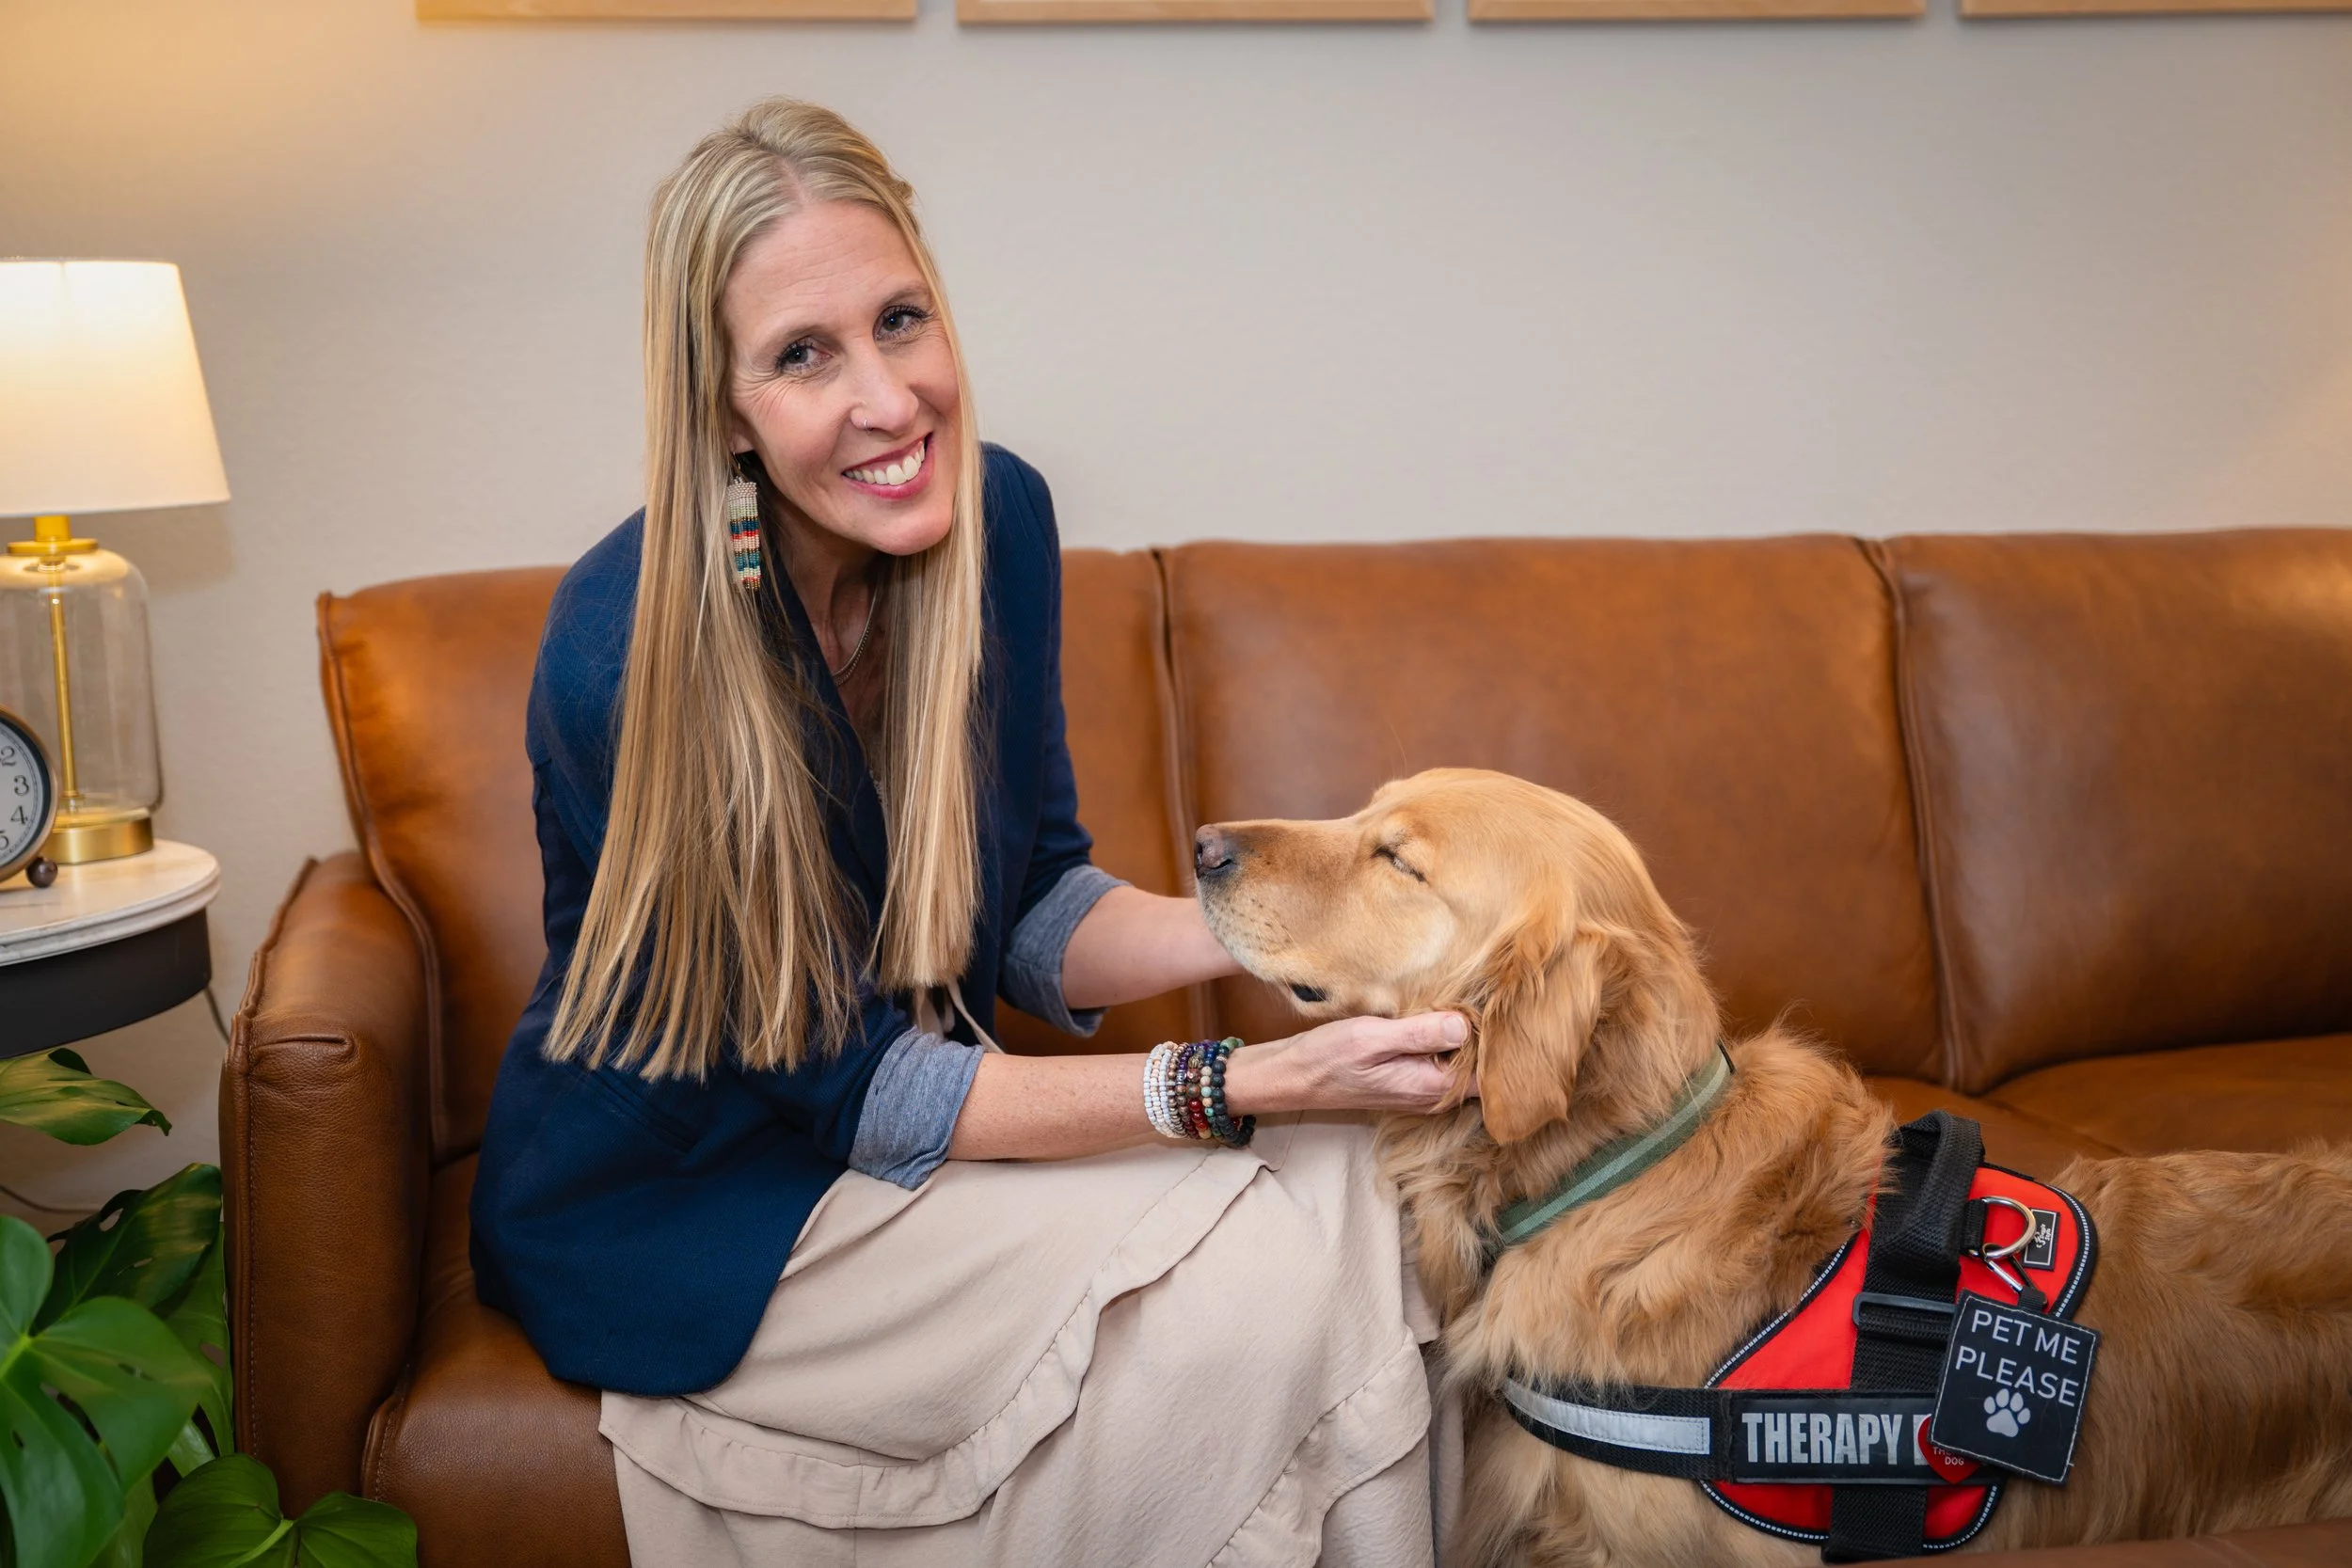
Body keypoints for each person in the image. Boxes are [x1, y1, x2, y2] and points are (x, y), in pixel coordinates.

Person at [469, 96, 1468, 1568]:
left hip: (909, 1139)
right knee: (1267, 1272)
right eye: (805, 356)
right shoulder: (632, 649)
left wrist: (1308, 917)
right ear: (722, 407)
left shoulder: (993, 520)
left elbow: (1029, 899)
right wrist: (1241, 1074)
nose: (887, 398)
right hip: (710, 1213)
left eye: (900, 321)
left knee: (1366, 1179)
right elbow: (860, 1092)